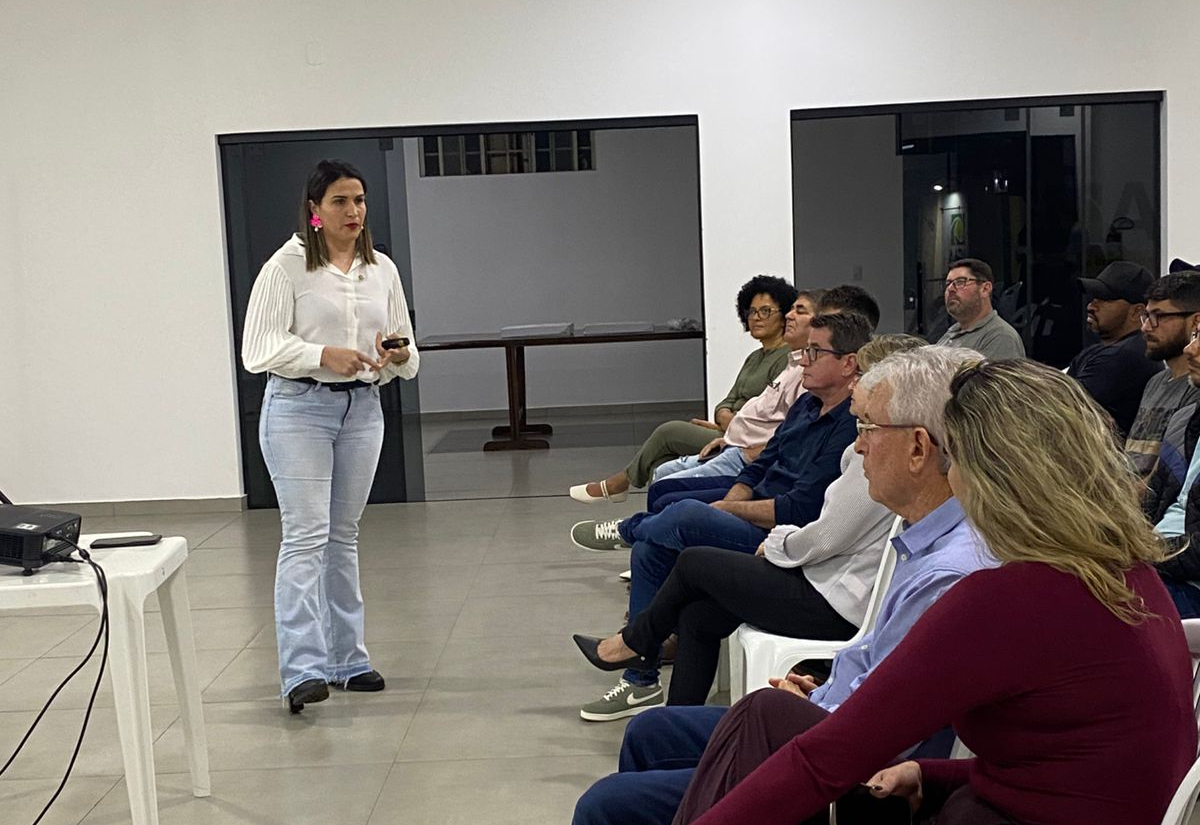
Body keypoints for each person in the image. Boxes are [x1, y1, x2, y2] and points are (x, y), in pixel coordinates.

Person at [673, 359, 1194, 825]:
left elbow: (826, 759)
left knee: (760, 723)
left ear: (994, 473)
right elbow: (1074, 765)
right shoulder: (1120, 567)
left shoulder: (1008, 596)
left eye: (958, 457)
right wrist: (933, 774)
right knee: (767, 716)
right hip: (1011, 805)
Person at [571, 345, 994, 825]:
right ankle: (639, 644)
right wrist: (821, 693)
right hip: (827, 662)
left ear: (919, 447)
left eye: (868, 429)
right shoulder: (921, 539)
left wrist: (810, 710)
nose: (857, 446)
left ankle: (634, 634)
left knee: (607, 803)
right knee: (654, 723)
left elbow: (892, 735)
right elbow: (881, 667)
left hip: (845, 731)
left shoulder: (950, 573)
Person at [574, 335, 928, 708]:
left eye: (865, 376)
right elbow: (774, 465)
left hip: (832, 597)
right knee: (698, 613)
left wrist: (775, 542)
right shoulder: (821, 412)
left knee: (694, 560)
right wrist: (743, 499)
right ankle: (674, 717)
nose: (858, 384)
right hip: (820, 573)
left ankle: (635, 637)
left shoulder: (871, 451)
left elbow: (824, 534)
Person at [241, 159, 419, 713]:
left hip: (363, 409)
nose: (354, 211)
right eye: (341, 201)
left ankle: (349, 660)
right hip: (298, 409)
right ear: (315, 210)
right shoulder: (286, 267)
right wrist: (324, 355)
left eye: (360, 200)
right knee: (305, 536)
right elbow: (258, 349)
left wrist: (397, 355)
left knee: (344, 535)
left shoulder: (380, 269)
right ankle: (302, 670)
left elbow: (406, 353)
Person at [569, 275, 797, 503]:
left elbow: (765, 414)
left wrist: (729, 425)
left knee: (669, 432)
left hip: (742, 439)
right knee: (661, 463)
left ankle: (619, 484)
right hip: (728, 429)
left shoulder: (784, 359)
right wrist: (724, 417)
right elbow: (727, 401)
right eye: (752, 311)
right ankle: (660, 511)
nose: (756, 318)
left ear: (784, 316)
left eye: (766, 311)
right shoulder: (755, 357)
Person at [647, 286, 880, 486]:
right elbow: (732, 401)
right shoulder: (777, 361)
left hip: (747, 453)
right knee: (663, 473)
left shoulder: (813, 380)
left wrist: (734, 443)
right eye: (752, 312)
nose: (789, 316)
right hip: (734, 442)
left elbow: (787, 447)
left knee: (667, 467)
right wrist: (728, 432)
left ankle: (618, 495)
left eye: (799, 311)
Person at [1143, 323, 1200, 618]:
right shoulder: (1186, 419)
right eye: (1195, 336)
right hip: (1160, 564)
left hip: (1186, 583)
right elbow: (1152, 504)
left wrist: (1146, 554)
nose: (1190, 349)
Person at [1066, 260, 1160, 437]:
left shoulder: (1125, 356)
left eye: (1104, 299)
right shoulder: (1097, 351)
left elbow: (1055, 408)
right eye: (1093, 298)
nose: (1091, 306)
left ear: (1137, 311)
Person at [1126, 270, 1200, 475]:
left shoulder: (1195, 387)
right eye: (1146, 316)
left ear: (1195, 322)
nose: (1146, 327)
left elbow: (1168, 476)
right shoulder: (1155, 382)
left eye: (1159, 316)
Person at [934, 258, 1025, 359]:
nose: (950, 289)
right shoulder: (950, 333)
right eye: (948, 283)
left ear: (985, 289)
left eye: (960, 282)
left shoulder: (1000, 337)